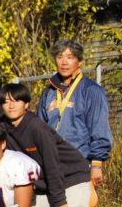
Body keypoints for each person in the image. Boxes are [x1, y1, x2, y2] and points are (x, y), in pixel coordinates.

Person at [37, 38, 112, 187]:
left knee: (77, 203)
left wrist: (97, 164)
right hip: (51, 165)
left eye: (70, 57)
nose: (64, 62)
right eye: (60, 57)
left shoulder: (91, 91)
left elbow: (100, 128)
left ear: (80, 61)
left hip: (79, 164)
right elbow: (39, 128)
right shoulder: (48, 92)